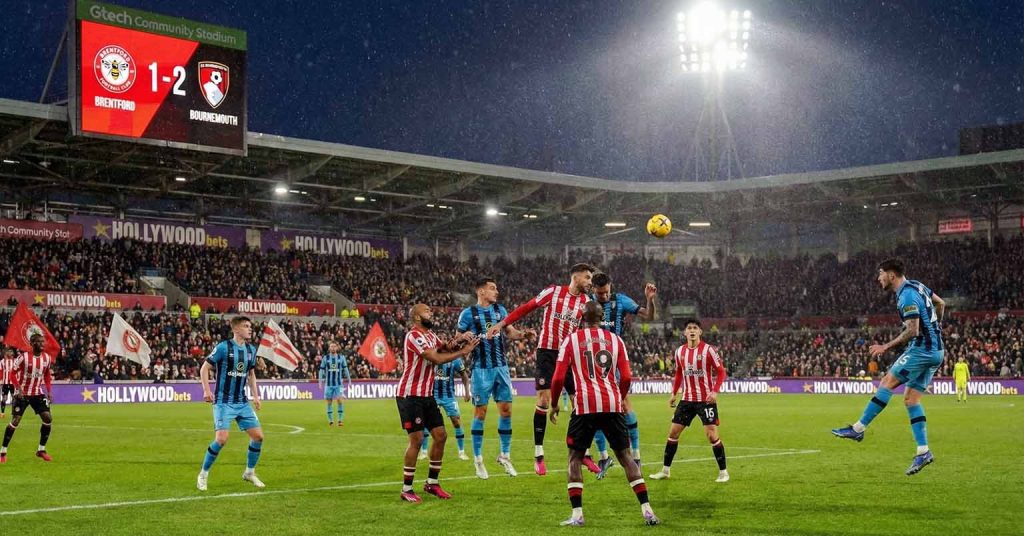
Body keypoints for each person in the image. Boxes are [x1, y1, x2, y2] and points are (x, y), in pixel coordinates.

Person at [548, 301, 660, 527]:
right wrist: (619, 396)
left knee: (575, 458)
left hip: (584, 407)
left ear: (582, 316)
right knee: (626, 457)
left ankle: (578, 516)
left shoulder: (571, 340)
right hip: (612, 404)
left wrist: (554, 403)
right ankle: (647, 510)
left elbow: (559, 378)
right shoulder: (616, 341)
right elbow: (627, 377)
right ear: (602, 317)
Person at [832, 258, 945, 476]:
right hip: (936, 351)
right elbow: (941, 303)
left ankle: (858, 429)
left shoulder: (906, 296)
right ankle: (923, 451)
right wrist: (936, 327)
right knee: (911, 400)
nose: (879, 278)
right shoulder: (918, 286)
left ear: (891, 275)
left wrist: (885, 346)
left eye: (881, 274)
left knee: (886, 383)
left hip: (922, 350)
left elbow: (912, 330)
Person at [487, 263, 594, 476]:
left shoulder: (587, 302)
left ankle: (584, 454)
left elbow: (589, 330)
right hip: (547, 352)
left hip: (571, 356)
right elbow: (527, 307)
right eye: (587, 277)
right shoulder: (553, 292)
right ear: (575, 276)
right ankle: (538, 454)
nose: (590, 282)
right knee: (543, 401)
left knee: (580, 404)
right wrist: (502, 324)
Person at [396, 304, 479, 503]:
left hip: (427, 395)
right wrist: (463, 352)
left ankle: (432, 483)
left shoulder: (431, 335)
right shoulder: (413, 336)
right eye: (426, 311)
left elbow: (445, 347)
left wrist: (460, 339)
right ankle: (407, 488)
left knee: (440, 435)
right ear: (416, 317)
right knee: (416, 440)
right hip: (410, 396)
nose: (431, 312)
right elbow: (436, 358)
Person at [457, 277, 535, 479]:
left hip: (501, 367)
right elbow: (457, 339)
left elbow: (511, 333)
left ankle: (505, 456)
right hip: (481, 369)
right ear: (481, 292)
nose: (496, 291)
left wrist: (524, 335)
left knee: (506, 411)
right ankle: (478, 460)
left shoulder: (500, 311)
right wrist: (462, 337)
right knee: (480, 413)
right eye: (492, 288)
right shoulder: (468, 314)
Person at [587, 272, 657, 479]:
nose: (604, 296)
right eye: (600, 293)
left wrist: (649, 300)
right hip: (591, 361)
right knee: (594, 410)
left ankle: (636, 456)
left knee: (625, 405)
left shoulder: (621, 300)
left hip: (615, 360)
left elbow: (649, 316)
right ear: (593, 290)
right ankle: (603, 457)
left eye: (607, 292)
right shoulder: (586, 303)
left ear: (611, 287)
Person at [649, 319, 729, 483]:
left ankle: (723, 472)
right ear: (685, 333)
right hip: (686, 400)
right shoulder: (680, 352)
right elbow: (679, 373)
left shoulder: (708, 350)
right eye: (689, 328)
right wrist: (674, 393)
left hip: (705, 400)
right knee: (673, 433)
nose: (692, 330)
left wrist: (715, 391)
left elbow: (721, 372)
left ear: (700, 332)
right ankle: (665, 471)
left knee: (712, 435)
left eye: (695, 328)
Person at [197, 316, 265, 491]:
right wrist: (206, 390)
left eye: (250, 326)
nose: (250, 329)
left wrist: (255, 396)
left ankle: (249, 472)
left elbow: (251, 375)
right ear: (236, 329)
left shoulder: (251, 350)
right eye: (246, 326)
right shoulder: (223, 347)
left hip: (242, 401)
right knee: (221, 439)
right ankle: (203, 474)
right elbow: (205, 368)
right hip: (223, 402)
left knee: (258, 437)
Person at [1, 335, 56, 463]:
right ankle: (3, 451)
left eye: (43, 342)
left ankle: (41, 450)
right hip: (22, 393)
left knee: (48, 418)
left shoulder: (46, 358)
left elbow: (47, 375)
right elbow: (12, 374)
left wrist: (49, 391)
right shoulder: (23, 357)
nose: (42, 344)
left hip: (37, 393)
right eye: (39, 342)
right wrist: (18, 388)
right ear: (32, 343)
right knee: (16, 420)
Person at [419, 354, 471, 461]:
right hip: (433, 395)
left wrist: (467, 391)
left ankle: (461, 452)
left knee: (456, 421)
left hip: (449, 396)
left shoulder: (455, 359)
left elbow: (464, 375)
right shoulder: (433, 356)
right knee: (427, 422)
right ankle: (423, 452)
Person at [319, 341, 351, 426]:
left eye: (334, 346)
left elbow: (345, 369)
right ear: (329, 348)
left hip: (339, 384)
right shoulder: (325, 358)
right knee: (329, 402)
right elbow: (321, 370)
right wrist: (320, 381)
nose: (333, 348)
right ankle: (331, 421)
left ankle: (340, 420)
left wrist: (349, 379)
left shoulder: (341, 357)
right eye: (331, 346)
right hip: (328, 384)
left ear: (337, 348)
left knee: (340, 400)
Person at [1, 347, 16, 419]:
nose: (10, 353)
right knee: (4, 398)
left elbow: (18, 372)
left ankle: (13, 412)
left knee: (14, 398)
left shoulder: (15, 361)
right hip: (5, 383)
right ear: (6, 353)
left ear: (12, 353)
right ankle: (2, 413)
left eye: (11, 352)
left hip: (13, 383)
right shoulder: (2, 362)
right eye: (8, 352)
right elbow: (0, 372)